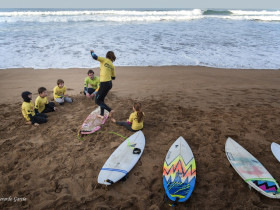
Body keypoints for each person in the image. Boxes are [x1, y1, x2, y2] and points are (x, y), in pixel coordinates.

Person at [90, 50, 116, 119]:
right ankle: (102, 114)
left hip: (104, 84)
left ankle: (110, 110)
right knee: (101, 99)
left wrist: (91, 52)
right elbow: (113, 77)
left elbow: (94, 56)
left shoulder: (104, 60)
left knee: (97, 101)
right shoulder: (112, 65)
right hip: (109, 84)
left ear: (107, 56)